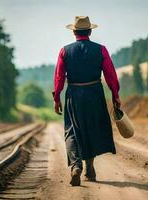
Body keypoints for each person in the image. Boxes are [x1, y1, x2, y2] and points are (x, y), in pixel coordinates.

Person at [53, 16, 121, 186]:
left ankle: (76, 166)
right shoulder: (101, 50)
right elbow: (110, 74)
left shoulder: (64, 51)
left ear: (74, 32)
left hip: (74, 94)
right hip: (94, 93)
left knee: (72, 131)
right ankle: (89, 167)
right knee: (90, 129)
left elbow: (59, 77)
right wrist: (115, 95)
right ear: (90, 31)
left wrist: (57, 98)